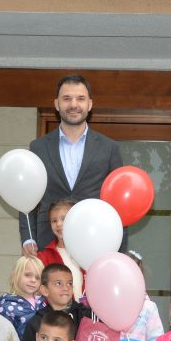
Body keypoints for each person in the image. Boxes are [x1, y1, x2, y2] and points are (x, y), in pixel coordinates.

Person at [21, 74, 123, 255]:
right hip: (47, 242)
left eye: (80, 99)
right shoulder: (38, 147)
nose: (73, 104)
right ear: (57, 104)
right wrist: (28, 237)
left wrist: (119, 249)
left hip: (95, 240)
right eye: (67, 98)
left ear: (89, 104)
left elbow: (119, 203)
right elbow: (27, 196)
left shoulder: (109, 148)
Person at [22, 263, 91, 341]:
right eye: (58, 283)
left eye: (69, 283)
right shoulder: (36, 322)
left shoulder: (85, 315)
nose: (66, 288)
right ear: (45, 290)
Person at [35, 198, 86, 300]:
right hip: (59, 309)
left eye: (63, 219)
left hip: (88, 309)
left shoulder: (88, 251)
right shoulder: (43, 257)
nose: (58, 224)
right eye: (54, 221)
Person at [0, 255, 47, 340]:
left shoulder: (44, 302)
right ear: (15, 275)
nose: (33, 280)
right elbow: (2, 338)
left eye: (38, 278)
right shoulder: (7, 307)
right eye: (28, 275)